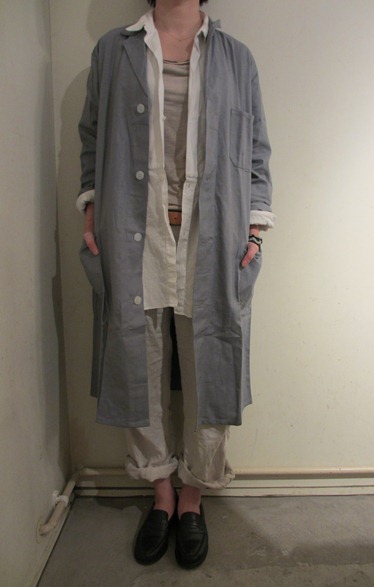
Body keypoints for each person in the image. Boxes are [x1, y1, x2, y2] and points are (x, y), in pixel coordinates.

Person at [77, 0, 274, 569]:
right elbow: (92, 136)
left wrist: (255, 229)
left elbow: (257, 150)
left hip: (213, 231)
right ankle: (160, 491)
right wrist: (90, 209)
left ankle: (194, 495)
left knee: (211, 359)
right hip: (133, 229)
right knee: (136, 358)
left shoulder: (236, 58)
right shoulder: (114, 50)